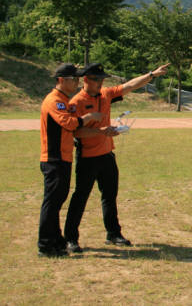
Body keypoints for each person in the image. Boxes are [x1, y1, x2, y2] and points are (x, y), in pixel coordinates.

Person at [64, 62, 170, 253]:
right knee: (80, 197)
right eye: (98, 80)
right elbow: (76, 133)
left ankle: (113, 233)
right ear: (87, 80)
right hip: (88, 157)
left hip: (107, 156)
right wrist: (101, 131)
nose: (101, 83)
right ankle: (70, 238)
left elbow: (129, 86)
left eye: (103, 80)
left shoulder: (105, 95)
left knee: (110, 196)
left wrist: (152, 75)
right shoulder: (76, 102)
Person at [38, 63, 103, 257]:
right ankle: (46, 244)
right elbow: (68, 123)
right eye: (72, 79)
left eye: (77, 79)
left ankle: (56, 240)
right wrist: (88, 117)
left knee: (58, 200)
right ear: (60, 80)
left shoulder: (63, 100)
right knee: (52, 202)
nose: (76, 82)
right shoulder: (54, 101)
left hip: (63, 157)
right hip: (54, 158)